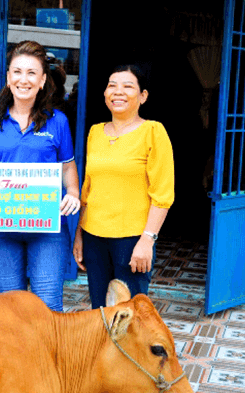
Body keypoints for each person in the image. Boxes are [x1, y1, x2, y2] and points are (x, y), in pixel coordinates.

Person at [0, 40, 81, 313]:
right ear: (9, 77)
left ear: (43, 80)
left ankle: (47, 358)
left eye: (32, 73)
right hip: (1, 231)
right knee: (12, 311)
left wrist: (72, 193)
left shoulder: (57, 121)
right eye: (18, 72)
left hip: (48, 230)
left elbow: (68, 167)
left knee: (48, 307)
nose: (24, 79)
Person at [73, 64, 174, 310]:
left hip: (131, 240)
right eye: (112, 86)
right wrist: (79, 235)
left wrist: (147, 240)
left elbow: (162, 194)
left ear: (143, 96)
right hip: (94, 236)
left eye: (128, 86)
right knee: (100, 309)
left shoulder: (153, 132)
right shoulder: (96, 132)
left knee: (130, 312)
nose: (118, 92)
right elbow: (88, 189)